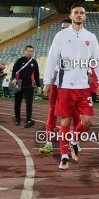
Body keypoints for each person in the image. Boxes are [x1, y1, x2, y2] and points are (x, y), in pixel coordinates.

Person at [43, 3, 99, 170]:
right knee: (65, 121)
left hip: (84, 87)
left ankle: (74, 139)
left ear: (85, 16)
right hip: (65, 86)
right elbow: (52, 59)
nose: (79, 15)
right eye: (76, 12)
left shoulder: (91, 37)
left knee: (87, 121)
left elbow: (97, 62)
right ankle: (64, 156)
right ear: (71, 16)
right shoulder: (61, 36)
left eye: (82, 13)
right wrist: (47, 82)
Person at [39, 18, 73, 154]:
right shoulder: (57, 42)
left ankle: (72, 142)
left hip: (71, 86)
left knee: (71, 115)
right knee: (52, 113)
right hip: (56, 84)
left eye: (67, 27)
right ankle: (48, 143)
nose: (64, 30)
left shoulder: (79, 44)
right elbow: (50, 62)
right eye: (62, 28)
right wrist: (47, 83)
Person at [12, 45, 41, 127]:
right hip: (19, 84)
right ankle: (17, 119)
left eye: (31, 51)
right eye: (28, 51)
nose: (30, 53)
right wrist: (14, 78)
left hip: (29, 86)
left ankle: (28, 119)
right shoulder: (19, 60)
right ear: (24, 51)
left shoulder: (34, 62)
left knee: (29, 103)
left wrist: (38, 86)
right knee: (17, 103)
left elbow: (36, 75)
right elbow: (14, 70)